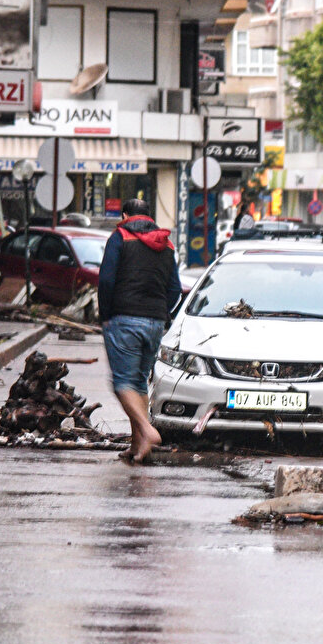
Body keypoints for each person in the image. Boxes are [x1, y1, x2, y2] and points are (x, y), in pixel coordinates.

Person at [98, 198, 183, 464]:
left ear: (124, 215)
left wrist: (106, 314)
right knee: (139, 381)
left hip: (124, 318)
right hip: (155, 322)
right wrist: (160, 312)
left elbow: (107, 279)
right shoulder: (167, 243)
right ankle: (138, 445)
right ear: (149, 216)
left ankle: (147, 431)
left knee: (122, 383)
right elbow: (175, 289)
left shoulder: (120, 236)